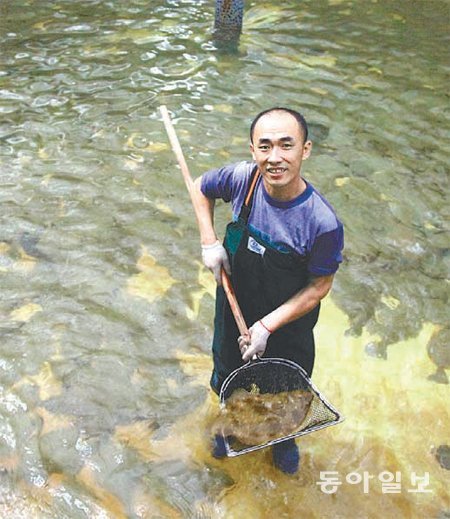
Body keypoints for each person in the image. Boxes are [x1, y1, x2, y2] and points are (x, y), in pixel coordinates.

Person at [193, 107, 344, 474]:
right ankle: (229, 425)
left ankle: (284, 440)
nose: (274, 157)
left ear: (305, 150)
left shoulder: (322, 223)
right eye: (265, 147)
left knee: (286, 392)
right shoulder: (242, 181)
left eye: (285, 146)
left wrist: (266, 327)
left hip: (289, 326)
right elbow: (200, 187)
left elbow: (320, 286)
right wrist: (209, 241)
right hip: (235, 308)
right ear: (253, 149)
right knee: (227, 376)